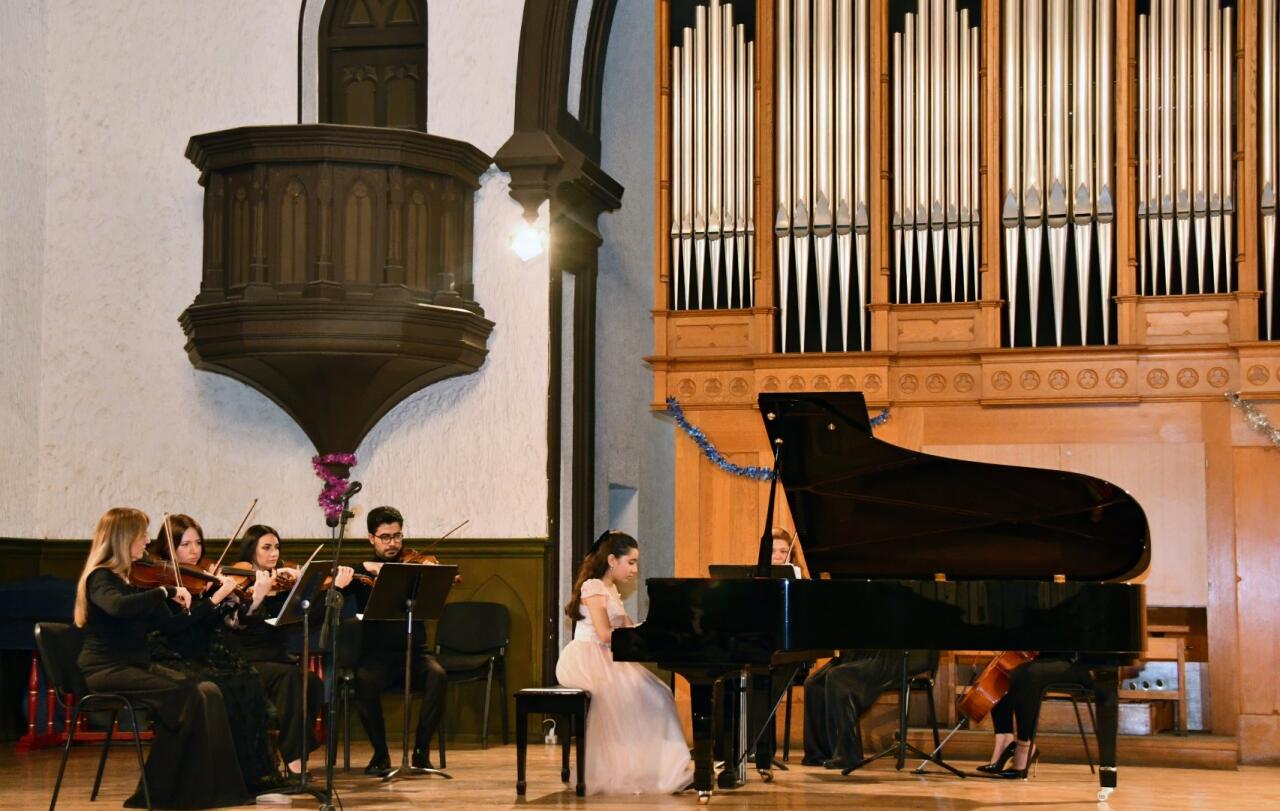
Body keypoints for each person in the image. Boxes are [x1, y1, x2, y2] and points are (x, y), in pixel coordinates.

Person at [74, 507, 249, 809]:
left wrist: (210, 602)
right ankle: (162, 792)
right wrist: (166, 590)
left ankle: (218, 789)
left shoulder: (135, 580)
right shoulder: (100, 578)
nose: (145, 541)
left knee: (208, 690)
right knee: (187, 695)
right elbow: (117, 607)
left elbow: (171, 625)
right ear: (123, 538)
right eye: (141, 534)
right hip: (106, 669)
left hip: (135, 665)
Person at [147, 514, 282, 792]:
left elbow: (235, 624)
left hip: (207, 652)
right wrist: (214, 600)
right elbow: (175, 628)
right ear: (169, 548)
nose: (194, 550)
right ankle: (219, 778)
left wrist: (252, 600)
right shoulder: (158, 582)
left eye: (197, 543)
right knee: (224, 688)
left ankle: (251, 775)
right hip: (174, 654)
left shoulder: (206, 579)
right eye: (185, 545)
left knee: (248, 679)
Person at [555, 530, 691, 795]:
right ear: (611, 560)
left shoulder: (612, 589)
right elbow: (605, 634)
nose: (634, 569)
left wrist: (655, 630)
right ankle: (630, 771)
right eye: (631, 562)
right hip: (586, 657)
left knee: (660, 694)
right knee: (629, 698)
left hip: (608, 655)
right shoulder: (593, 587)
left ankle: (666, 770)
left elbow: (628, 627)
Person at [228, 524, 353, 778]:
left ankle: (294, 752)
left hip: (276, 659)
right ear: (251, 551)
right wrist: (257, 598)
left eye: (276, 547)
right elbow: (236, 624)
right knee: (295, 679)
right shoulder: (238, 584)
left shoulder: (283, 584)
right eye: (266, 548)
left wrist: (334, 589)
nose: (274, 554)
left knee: (314, 684)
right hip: (245, 661)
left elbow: (312, 617)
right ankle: (296, 763)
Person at [344, 505, 449, 775]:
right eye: (386, 537)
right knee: (363, 680)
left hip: (416, 653)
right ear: (371, 538)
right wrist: (364, 568)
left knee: (438, 675)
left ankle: (421, 752)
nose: (393, 543)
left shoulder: (414, 567)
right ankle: (380, 754)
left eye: (397, 536)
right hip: (377, 656)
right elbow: (338, 577)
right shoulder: (363, 574)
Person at [802, 649, 938, 769]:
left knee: (838, 676)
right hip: (865, 651)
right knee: (814, 684)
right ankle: (820, 753)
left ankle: (846, 754)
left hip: (899, 653)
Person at [980, 654, 1093, 778]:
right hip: (1045, 660)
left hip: (1078, 664)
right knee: (1003, 671)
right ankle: (1005, 740)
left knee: (1026, 673)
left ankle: (1025, 747)